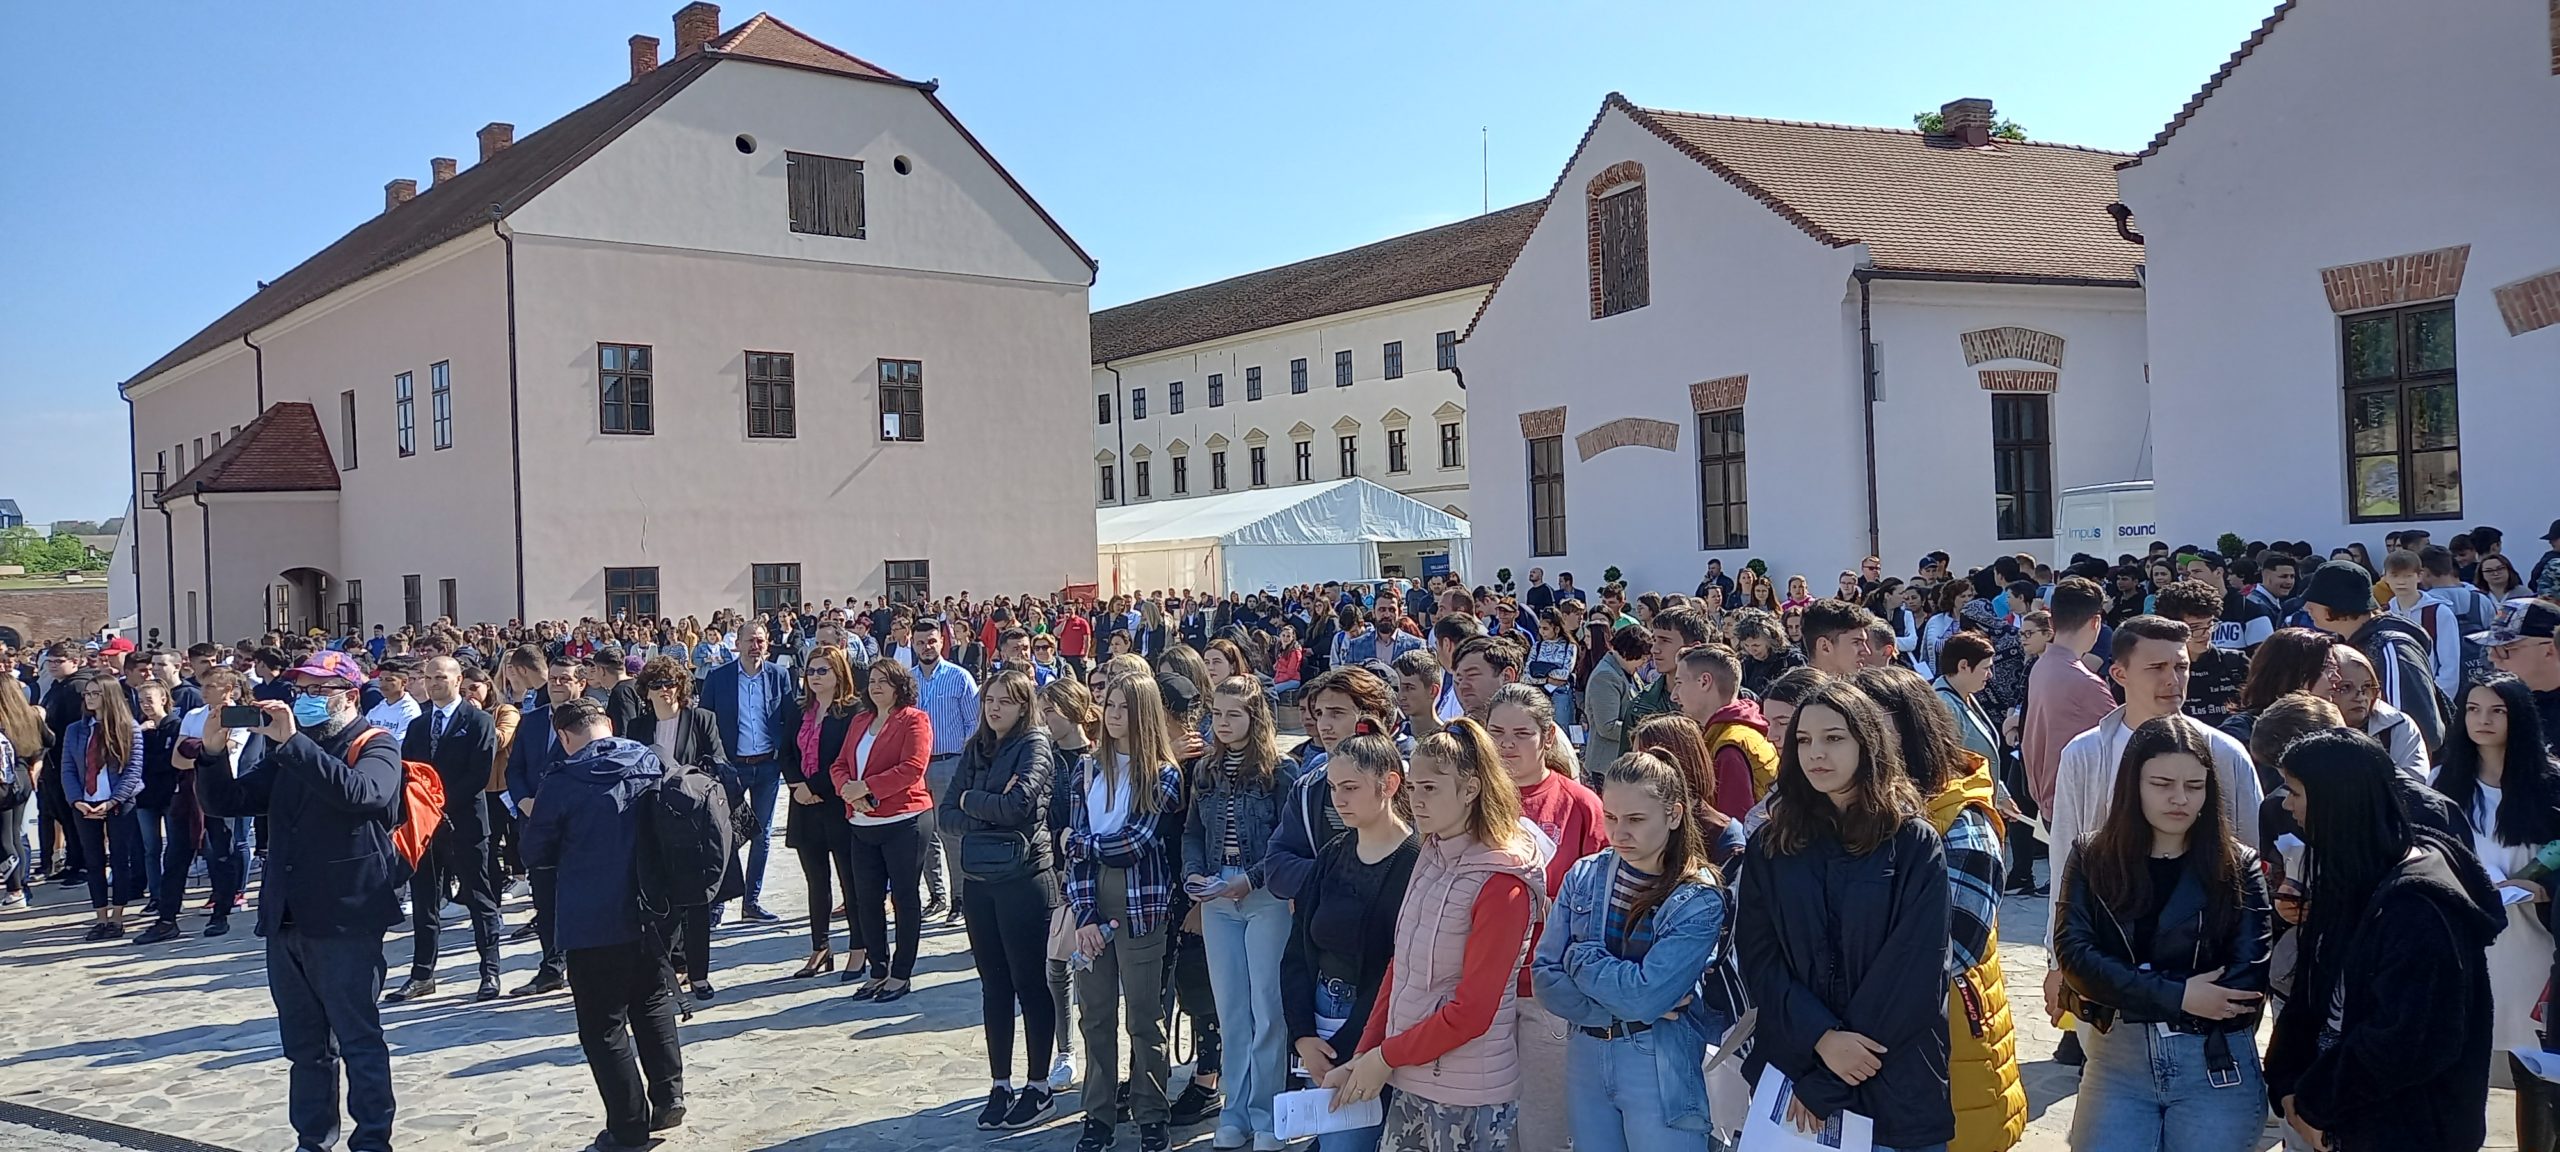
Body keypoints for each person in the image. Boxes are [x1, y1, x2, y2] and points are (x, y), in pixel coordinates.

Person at [195, 650, 405, 1152]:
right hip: (287, 915)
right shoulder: (294, 749)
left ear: (349, 696)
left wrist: (291, 743)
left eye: (318, 691)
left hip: (345, 914)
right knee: (305, 1046)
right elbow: (230, 802)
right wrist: (210, 753)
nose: (304, 699)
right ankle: (313, 1139)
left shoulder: (375, 743)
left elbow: (364, 795)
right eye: (301, 689)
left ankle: (373, 1140)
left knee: (357, 1037)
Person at [1734, 677, 1953, 1152]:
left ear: (1867, 743)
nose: (1817, 753)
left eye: (1834, 738)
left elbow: (1916, 972)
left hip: (1896, 1085)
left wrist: (1830, 1078)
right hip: (1794, 1070)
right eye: (1804, 739)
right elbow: (1759, 960)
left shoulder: (1912, 843)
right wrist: (1821, 1037)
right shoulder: (1772, 844)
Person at [2264, 729, 2502, 1152]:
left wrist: (2316, 1103)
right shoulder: (2354, 875)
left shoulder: (2417, 909)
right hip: (2342, 1121)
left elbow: (2407, 1041)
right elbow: (2313, 997)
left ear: (2336, 800)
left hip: (2402, 1131)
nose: (2286, 805)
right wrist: (2289, 1084)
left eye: (2296, 792)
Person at [2052, 716, 2272, 1151]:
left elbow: (2245, 984)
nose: (2179, 799)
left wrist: (2128, 983)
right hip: (2117, 1060)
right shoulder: (2091, 856)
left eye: (2195, 786)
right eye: (2162, 783)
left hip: (2213, 1060)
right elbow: (2075, 957)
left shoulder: (2238, 865)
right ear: (2133, 784)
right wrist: (2180, 995)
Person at [1322, 720, 1541, 1152]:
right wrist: (1365, 1054)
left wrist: (1384, 1057)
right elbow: (1400, 965)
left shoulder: (1503, 884)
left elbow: (1473, 1012)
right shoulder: (1433, 851)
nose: (1416, 801)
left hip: (1468, 1097)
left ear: (1471, 789)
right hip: (1412, 1076)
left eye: (1431, 789)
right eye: (1414, 787)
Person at [1855, 666, 2026, 1152]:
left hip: (1947, 1060)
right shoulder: (1845, 817)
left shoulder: (1961, 824)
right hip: (1862, 1063)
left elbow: (1948, 954)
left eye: (1868, 732)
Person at [1532, 748, 1731, 1152]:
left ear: (1674, 815)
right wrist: (1613, 1008)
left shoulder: (1698, 895)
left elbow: (1644, 995)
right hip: (1587, 1051)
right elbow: (1544, 977)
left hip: (1659, 1058)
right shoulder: (1585, 874)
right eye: (1611, 817)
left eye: (1636, 820)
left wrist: (1580, 959)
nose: (1620, 833)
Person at [518, 697, 687, 1150]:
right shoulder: (650, 759)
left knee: (602, 1025)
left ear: (564, 736)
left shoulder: (564, 779)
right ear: (608, 725)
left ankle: (628, 1128)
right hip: (654, 909)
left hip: (592, 916)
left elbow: (534, 852)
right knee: (651, 1001)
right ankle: (669, 1097)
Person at [1066, 671, 1187, 1152]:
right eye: (1110, 706)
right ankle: (1097, 1114)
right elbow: (1079, 855)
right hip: (1092, 899)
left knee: (1144, 1016)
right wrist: (1084, 913)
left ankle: (1151, 1113)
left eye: (1126, 709)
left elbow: (1134, 843)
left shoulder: (1163, 773)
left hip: (1142, 901)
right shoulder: (1085, 770)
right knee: (1094, 1015)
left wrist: (1080, 843)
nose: (1115, 717)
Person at [1280, 731, 1415, 1152]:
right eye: (1335, 788)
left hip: (1375, 1032)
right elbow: (1299, 947)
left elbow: (1398, 966)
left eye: (1351, 787)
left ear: (1389, 784)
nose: (1339, 799)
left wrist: (1350, 1046)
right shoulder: (1334, 852)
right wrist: (1302, 1033)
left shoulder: (1416, 861)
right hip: (1320, 1019)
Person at [1183, 677, 1302, 1151]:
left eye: (1234, 714)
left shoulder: (1280, 771)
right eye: (1217, 713)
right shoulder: (1206, 770)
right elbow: (1192, 831)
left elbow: (1285, 841)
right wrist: (1194, 874)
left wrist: (1249, 879)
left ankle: (1267, 1114)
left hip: (1263, 897)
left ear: (1255, 718)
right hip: (1217, 898)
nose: (1223, 723)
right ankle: (1234, 1114)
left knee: (1267, 1011)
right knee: (1232, 1012)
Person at [943, 668, 1064, 1130]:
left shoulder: (1034, 744)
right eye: (989, 699)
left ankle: (1038, 1085)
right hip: (979, 880)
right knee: (993, 985)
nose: (994, 708)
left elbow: (1019, 809)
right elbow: (948, 813)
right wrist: (984, 799)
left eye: (1005, 701)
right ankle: (1000, 1083)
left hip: (1024, 877)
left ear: (1022, 705)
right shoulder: (977, 746)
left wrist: (977, 800)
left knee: (1029, 982)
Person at [1483, 682, 1602, 1152]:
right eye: (1496, 732)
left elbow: (1602, 894)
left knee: (1542, 1127)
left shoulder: (1578, 803)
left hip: (1545, 989)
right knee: (1490, 1128)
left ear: (1547, 737)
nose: (1507, 744)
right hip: (1477, 988)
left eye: (1520, 733)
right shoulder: (1469, 798)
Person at [2428, 673, 2560, 1078]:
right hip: (2467, 940)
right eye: (2472, 709)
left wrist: (2542, 885)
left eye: (2497, 711)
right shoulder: (2441, 782)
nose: (2482, 720)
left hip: (2533, 941)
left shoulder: (2550, 783)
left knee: (2536, 1068)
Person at [380, 657, 504, 1002]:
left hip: (464, 822)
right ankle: (422, 975)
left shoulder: (477, 720)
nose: (434, 683)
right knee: (425, 901)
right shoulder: (419, 725)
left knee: (480, 898)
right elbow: (410, 772)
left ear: (458, 680)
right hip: (425, 827)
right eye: (428, 677)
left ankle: (489, 972)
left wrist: (439, 804)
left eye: (441, 677)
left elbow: (478, 774)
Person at [624, 657, 733, 1001]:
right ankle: (667, 970)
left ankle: (699, 975)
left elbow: (717, 763)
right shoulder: (638, 728)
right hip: (653, 821)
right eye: (658, 685)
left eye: (671, 684)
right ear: (646, 691)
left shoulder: (702, 719)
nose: (666, 691)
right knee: (659, 898)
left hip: (693, 821)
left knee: (697, 901)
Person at [831, 653, 934, 1002]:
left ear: (899, 686)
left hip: (904, 821)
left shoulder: (914, 720)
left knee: (904, 898)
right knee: (866, 899)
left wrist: (869, 787)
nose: (876, 687)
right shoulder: (860, 721)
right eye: (872, 681)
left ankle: (901, 973)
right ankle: (878, 969)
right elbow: (840, 764)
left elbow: (912, 768)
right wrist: (849, 791)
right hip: (862, 822)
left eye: (883, 681)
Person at [2299, 559, 2449, 756]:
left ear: (2337, 603)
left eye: (2315, 601)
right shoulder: (2354, 643)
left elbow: (2412, 729)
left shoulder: (2391, 648)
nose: (2307, 608)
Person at [701, 624, 797, 922]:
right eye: (750, 641)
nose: (755, 646)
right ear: (737, 644)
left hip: (768, 766)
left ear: (767, 644)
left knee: (762, 835)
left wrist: (783, 752)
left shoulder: (778, 676)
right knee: (724, 834)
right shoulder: (719, 678)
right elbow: (706, 720)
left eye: (760, 640)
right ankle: (717, 903)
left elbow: (790, 717)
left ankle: (751, 902)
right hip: (732, 768)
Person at [786, 646, 863, 980]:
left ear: (838, 673)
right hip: (803, 806)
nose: (815, 677)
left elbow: (843, 760)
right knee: (816, 881)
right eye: (811, 671)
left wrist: (814, 787)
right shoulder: (799, 708)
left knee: (851, 881)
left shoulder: (853, 711)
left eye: (823, 671)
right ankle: (820, 947)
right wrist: (796, 785)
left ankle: (859, 947)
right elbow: (785, 752)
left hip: (837, 804)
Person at [66, 674, 146, 939]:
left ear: (108, 696)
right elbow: (68, 768)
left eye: (95, 694)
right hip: (85, 803)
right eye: (87, 694)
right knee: (93, 860)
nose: (89, 698)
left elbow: (133, 769)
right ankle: (100, 916)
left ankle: (118, 916)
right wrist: (77, 800)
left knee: (120, 859)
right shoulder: (76, 730)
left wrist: (113, 801)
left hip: (117, 802)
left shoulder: (128, 727)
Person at [912, 621, 981, 922]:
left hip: (950, 762)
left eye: (931, 641)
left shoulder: (959, 678)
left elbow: (975, 723)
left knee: (951, 832)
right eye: (920, 642)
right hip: (915, 767)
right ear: (912, 644)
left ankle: (960, 898)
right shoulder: (908, 681)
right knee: (924, 835)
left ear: (942, 642)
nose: (926, 647)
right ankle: (936, 895)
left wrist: (965, 762)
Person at [1668, 644, 1778, 818]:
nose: (1674, 695)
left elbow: (1733, 830)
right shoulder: (1742, 730)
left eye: (1679, 683)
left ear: (1704, 682)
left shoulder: (1730, 748)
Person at [2328, 644, 2431, 779]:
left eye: (2367, 686)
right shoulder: (2308, 722)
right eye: (2346, 687)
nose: (2361, 696)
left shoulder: (2398, 725)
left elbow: (2417, 784)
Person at [2477, 597, 2560, 753]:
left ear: (2549, 650)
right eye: (2490, 647)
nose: (2492, 657)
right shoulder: (2488, 704)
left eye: (2505, 648)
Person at [1582, 625, 1650, 770]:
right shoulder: (1605, 676)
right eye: (1643, 658)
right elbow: (1608, 727)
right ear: (1627, 652)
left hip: (1622, 762)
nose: (1644, 664)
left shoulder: (1626, 669)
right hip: (1606, 765)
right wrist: (1646, 733)